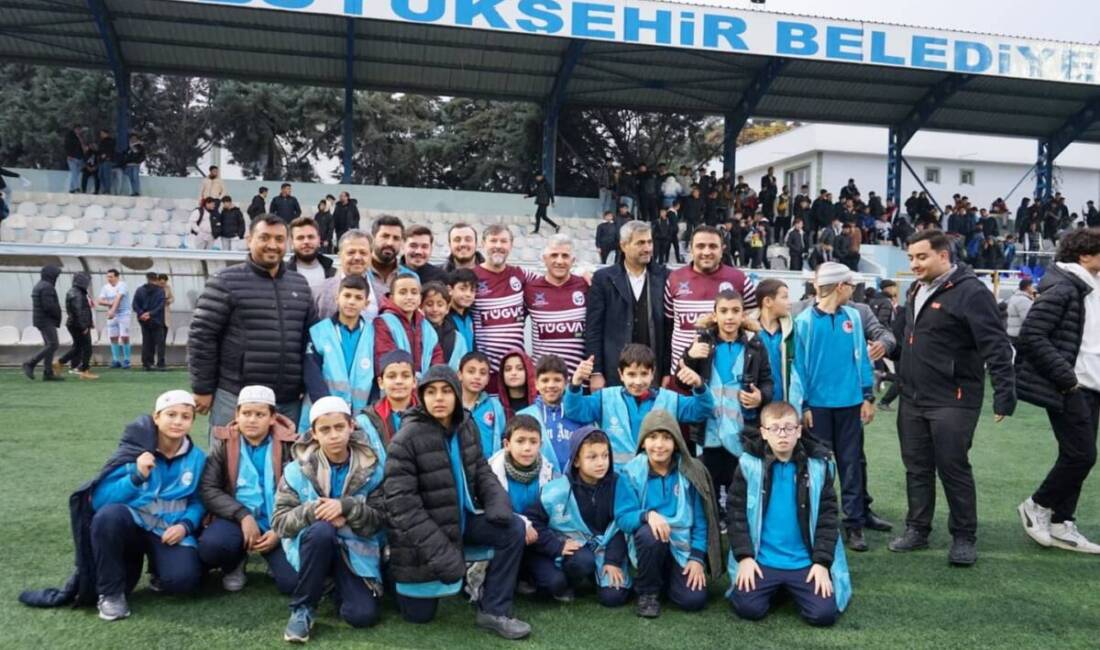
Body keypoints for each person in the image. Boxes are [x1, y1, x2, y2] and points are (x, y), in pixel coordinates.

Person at [887, 230, 1016, 566]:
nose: (914, 264)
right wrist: (886, 347)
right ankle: (917, 529)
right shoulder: (915, 288)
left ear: (943, 256)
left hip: (953, 398)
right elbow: (903, 336)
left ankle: (963, 537)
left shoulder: (972, 292)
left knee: (953, 468)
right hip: (912, 397)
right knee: (916, 468)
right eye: (911, 258)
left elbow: (996, 345)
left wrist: (1005, 393)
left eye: (921, 257)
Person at [383, 365, 532, 639]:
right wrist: (443, 554)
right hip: (423, 538)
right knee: (419, 617)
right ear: (422, 397)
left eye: (446, 391)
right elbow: (403, 509)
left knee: (512, 529)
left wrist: (499, 502)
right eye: (431, 392)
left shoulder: (466, 425)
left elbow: (481, 469)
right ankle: (389, 575)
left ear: (456, 393)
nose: (439, 398)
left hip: (462, 521)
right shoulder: (404, 441)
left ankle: (494, 610)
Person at [274, 396, 387, 642]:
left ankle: (335, 585)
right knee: (323, 531)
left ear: (351, 426)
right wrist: (316, 511)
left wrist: (346, 508)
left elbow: (380, 520)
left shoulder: (372, 470)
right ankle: (302, 610)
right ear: (314, 433)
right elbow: (280, 523)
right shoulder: (295, 471)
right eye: (325, 429)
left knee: (361, 616)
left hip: (355, 552)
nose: (333, 435)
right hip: (314, 545)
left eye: (339, 427)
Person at [728, 401, 850, 627]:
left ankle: (788, 587)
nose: (782, 434)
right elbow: (736, 515)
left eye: (788, 428)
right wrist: (744, 557)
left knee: (823, 615)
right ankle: (779, 587)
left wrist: (822, 563)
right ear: (764, 433)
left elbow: (828, 518)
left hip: (804, 561)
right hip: (762, 558)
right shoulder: (748, 465)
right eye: (774, 428)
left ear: (799, 431)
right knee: (749, 608)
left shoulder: (818, 468)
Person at [1016, 228, 1100, 554]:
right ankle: (1037, 504)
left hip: (1091, 385)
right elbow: (1033, 335)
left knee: (1076, 455)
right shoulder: (1064, 287)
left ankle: (1062, 522)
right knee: (1082, 455)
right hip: (1071, 386)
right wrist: (1066, 378)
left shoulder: (1089, 286)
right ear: (1084, 255)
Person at [189, 215, 316, 429]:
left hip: (286, 399)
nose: (272, 245)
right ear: (250, 239)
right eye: (264, 237)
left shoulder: (300, 284)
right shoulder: (225, 280)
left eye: (279, 239)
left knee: (284, 461)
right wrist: (202, 388)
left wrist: (304, 383)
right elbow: (202, 336)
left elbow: (308, 340)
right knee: (229, 460)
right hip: (235, 396)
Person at [90, 390, 206, 619]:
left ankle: (158, 569)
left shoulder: (198, 458)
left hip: (167, 530)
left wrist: (185, 525)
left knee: (183, 582)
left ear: (192, 421)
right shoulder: (134, 453)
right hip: (132, 527)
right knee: (108, 516)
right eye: (171, 414)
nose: (177, 421)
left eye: (185, 416)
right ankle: (111, 594)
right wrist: (136, 476)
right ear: (156, 417)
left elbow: (199, 501)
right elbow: (99, 501)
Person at [788, 262, 875, 552]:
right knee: (819, 468)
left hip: (850, 405)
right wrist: (804, 406)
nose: (853, 289)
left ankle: (854, 524)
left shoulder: (853, 316)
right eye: (850, 284)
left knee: (852, 465)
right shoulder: (804, 323)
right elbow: (798, 368)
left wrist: (867, 395)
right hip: (819, 409)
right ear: (840, 286)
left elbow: (861, 358)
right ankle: (820, 521)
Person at [614, 409, 720, 618]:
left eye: (666, 438)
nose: (659, 445)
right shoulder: (630, 472)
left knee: (693, 600)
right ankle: (648, 592)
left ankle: (668, 580)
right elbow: (623, 517)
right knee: (649, 534)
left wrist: (697, 558)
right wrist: (647, 516)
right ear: (643, 442)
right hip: (649, 545)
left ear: (677, 442)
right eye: (652, 437)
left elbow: (700, 520)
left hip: (682, 547)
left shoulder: (691, 471)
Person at [198, 386, 299, 594]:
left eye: (260, 414)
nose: (252, 420)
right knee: (211, 547)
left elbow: (304, 493)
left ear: (273, 418)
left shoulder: (292, 445)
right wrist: (242, 515)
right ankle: (234, 561)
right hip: (236, 519)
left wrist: (280, 531)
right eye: (246, 413)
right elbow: (209, 488)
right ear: (237, 415)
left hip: (278, 521)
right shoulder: (224, 443)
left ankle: (273, 556)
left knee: (293, 583)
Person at [682, 289, 774, 501]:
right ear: (715, 315)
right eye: (723, 311)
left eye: (735, 311)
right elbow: (682, 378)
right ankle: (714, 524)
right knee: (708, 487)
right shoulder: (701, 344)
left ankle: (735, 523)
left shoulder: (756, 345)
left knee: (738, 486)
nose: (730, 316)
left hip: (741, 432)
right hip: (709, 431)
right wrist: (689, 356)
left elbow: (768, 381)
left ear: (743, 315)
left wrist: (761, 397)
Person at [525, 426, 630, 606]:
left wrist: (612, 561)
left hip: (605, 549)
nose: (601, 463)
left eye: (605, 456)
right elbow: (532, 521)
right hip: (568, 551)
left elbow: (620, 526)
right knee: (564, 576)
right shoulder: (558, 490)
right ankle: (567, 580)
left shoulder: (618, 483)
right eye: (592, 457)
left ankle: (592, 578)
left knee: (613, 598)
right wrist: (556, 546)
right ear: (576, 461)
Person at [565, 344, 714, 469]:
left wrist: (699, 385)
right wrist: (576, 382)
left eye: (644, 374)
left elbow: (703, 410)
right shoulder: (605, 398)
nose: (638, 381)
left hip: (656, 478)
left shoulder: (669, 399)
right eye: (631, 374)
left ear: (653, 373)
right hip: (618, 481)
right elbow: (574, 410)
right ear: (621, 374)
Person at [586, 221, 671, 387]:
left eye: (649, 242)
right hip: (615, 372)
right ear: (623, 245)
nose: (647, 248)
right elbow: (593, 329)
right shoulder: (603, 279)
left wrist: (667, 372)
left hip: (653, 374)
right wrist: (596, 372)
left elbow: (670, 330)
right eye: (640, 243)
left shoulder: (665, 277)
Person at [665, 226, 758, 371]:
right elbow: (668, 327)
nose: (706, 252)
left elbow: (751, 326)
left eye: (713, 246)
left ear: (722, 249)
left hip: (724, 375)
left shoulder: (739, 279)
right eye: (700, 246)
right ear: (691, 249)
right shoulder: (674, 279)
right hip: (681, 372)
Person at [485, 415, 556, 595]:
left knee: (555, 582)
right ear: (507, 444)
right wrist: (524, 523)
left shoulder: (549, 471)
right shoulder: (491, 471)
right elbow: (493, 509)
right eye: (520, 441)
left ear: (540, 444)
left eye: (533, 441)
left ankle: (526, 574)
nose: (527, 448)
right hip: (504, 535)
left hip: (536, 538)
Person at [302, 275, 376, 428]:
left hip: (360, 416)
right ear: (337, 298)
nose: (351, 301)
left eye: (358, 297)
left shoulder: (374, 334)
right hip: (322, 412)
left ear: (366, 303)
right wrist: (329, 409)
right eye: (347, 295)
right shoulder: (319, 331)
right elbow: (312, 373)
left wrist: (369, 411)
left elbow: (377, 378)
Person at [525, 234, 589, 375]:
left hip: (579, 380)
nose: (559, 261)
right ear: (544, 259)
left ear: (573, 260)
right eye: (554, 255)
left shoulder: (586, 285)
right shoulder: (530, 288)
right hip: (544, 381)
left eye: (565, 256)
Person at [473, 224, 532, 376]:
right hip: (484, 370)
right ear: (483, 243)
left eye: (503, 241)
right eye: (493, 241)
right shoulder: (471, 277)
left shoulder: (521, 274)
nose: (498, 246)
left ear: (511, 245)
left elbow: (550, 281)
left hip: (515, 370)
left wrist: (583, 272)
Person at [518, 354, 585, 473]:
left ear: (566, 383)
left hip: (572, 484)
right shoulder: (524, 416)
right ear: (536, 384)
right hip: (537, 483)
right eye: (545, 380)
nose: (551, 385)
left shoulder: (579, 415)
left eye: (557, 380)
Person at [374, 273, 443, 375]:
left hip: (425, 385)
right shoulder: (383, 323)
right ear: (392, 297)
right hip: (398, 383)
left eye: (414, 293)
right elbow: (385, 358)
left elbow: (436, 356)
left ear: (420, 298)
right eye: (403, 293)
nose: (409, 297)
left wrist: (430, 381)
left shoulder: (425, 325)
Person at [356, 350, 417, 458]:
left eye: (405, 376)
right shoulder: (366, 422)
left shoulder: (427, 415)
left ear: (414, 382)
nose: (399, 381)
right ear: (381, 383)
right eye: (391, 376)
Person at [314, 230, 380, 322]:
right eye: (351, 252)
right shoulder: (320, 291)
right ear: (340, 255)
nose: (357, 257)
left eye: (363, 253)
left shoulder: (383, 293)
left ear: (370, 256)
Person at [459, 351, 508, 459]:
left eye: (483, 373)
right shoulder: (452, 405)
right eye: (471, 371)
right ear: (460, 375)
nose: (477, 377)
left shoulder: (495, 406)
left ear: (488, 380)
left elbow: (502, 438)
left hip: (489, 467)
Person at [22, 265, 64, 382]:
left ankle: (48, 373)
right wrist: (57, 314)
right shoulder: (47, 287)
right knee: (53, 344)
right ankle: (30, 363)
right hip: (46, 320)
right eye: (56, 275)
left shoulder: (40, 285)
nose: (57, 277)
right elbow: (49, 306)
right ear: (51, 275)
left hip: (41, 319)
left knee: (49, 345)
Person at [286, 216, 337, 294]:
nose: (306, 241)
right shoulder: (282, 274)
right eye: (300, 238)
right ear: (292, 242)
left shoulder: (334, 274)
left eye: (311, 237)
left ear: (319, 240)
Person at [367, 215, 412, 301]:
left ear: (402, 242)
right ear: (373, 238)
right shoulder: (359, 273)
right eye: (385, 236)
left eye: (396, 238)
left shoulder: (411, 278)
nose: (390, 243)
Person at [422, 281, 466, 369]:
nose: (435, 309)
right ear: (421, 306)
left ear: (447, 308)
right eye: (429, 304)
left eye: (440, 304)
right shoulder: (417, 333)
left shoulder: (457, 338)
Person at [131, 272, 167, 372]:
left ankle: (146, 363)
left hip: (143, 320)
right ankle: (160, 364)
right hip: (157, 319)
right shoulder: (160, 291)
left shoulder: (139, 290)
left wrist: (142, 313)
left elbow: (135, 305)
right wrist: (150, 314)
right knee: (160, 342)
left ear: (147, 278)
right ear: (156, 279)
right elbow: (161, 305)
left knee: (146, 341)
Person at [97, 268, 132, 369]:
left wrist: (112, 310)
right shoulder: (105, 287)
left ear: (117, 277)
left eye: (111, 277)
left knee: (124, 336)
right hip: (112, 314)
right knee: (113, 337)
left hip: (123, 313)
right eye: (108, 277)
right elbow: (99, 300)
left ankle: (127, 360)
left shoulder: (122, 285)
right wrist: (110, 304)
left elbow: (118, 298)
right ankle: (116, 360)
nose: (109, 279)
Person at [497, 348, 537, 417]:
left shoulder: (539, 404)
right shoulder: (495, 406)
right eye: (508, 369)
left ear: (528, 371)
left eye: (520, 368)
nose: (513, 373)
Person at [447, 267, 478, 354]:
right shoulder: (443, 317)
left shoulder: (471, 316)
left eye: (472, 290)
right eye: (462, 289)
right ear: (450, 290)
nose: (468, 294)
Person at [1005, 278, 1036, 343]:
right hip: (1019, 334)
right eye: (1032, 286)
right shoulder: (1023, 300)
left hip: (1012, 332)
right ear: (1028, 287)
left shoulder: (1014, 297)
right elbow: (1028, 318)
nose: (1034, 289)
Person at [64, 123, 86, 192]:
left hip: (79, 157)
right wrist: (68, 154)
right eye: (78, 129)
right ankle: (76, 187)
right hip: (72, 157)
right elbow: (67, 145)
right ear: (75, 129)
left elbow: (82, 146)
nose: (79, 131)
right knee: (74, 172)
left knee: (76, 173)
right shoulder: (70, 136)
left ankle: (71, 188)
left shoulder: (80, 137)